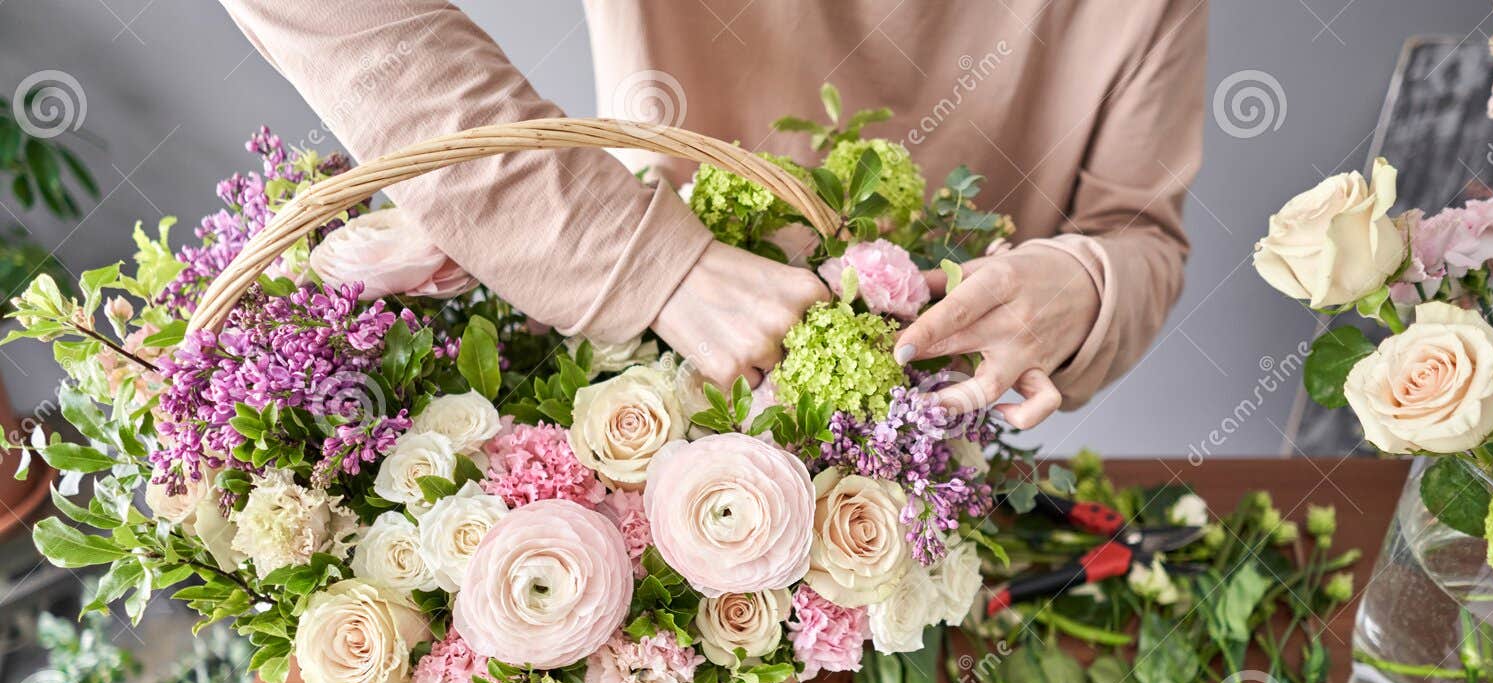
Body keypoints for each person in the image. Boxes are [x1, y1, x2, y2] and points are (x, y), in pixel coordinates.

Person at [221, 0, 1205, 429]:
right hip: (642, 374)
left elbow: (1139, 236)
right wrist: (643, 259)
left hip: (918, 447)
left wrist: (1084, 286)